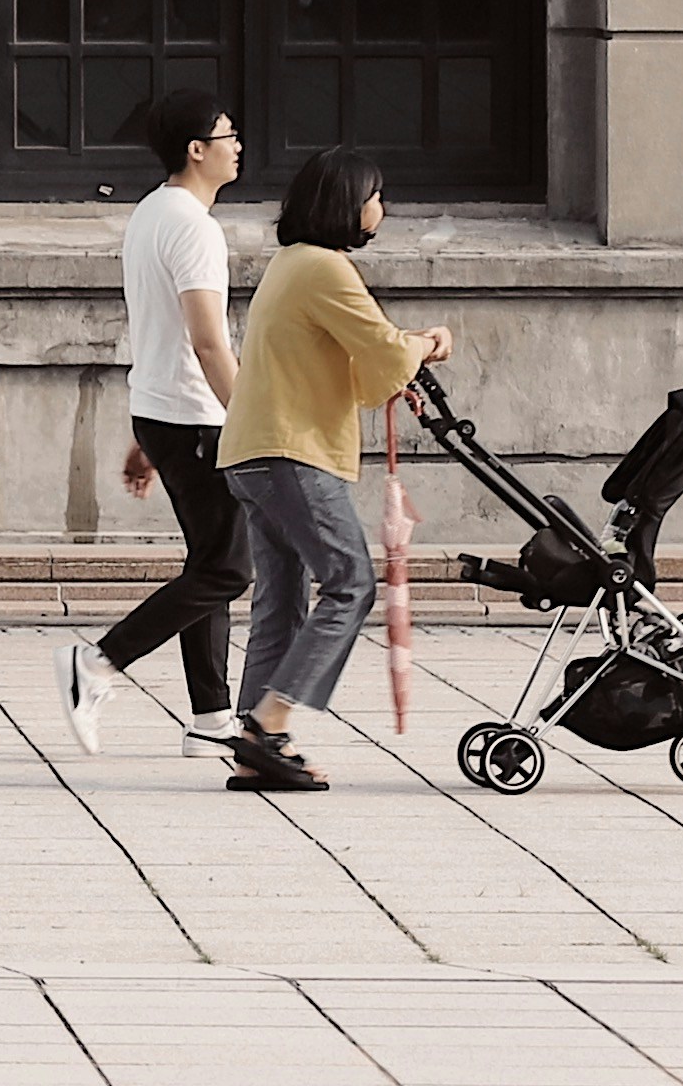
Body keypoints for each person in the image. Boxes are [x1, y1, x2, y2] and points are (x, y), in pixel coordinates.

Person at [208, 146, 454, 796]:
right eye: (376, 196)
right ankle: (267, 724)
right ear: (346, 204)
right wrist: (431, 342)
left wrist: (398, 361)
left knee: (281, 600)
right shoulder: (326, 269)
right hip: (292, 452)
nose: (382, 208)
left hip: (254, 451)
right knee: (349, 583)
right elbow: (383, 348)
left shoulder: (292, 264)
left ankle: (258, 745)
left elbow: (359, 362)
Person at [65, 88, 248, 751]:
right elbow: (206, 341)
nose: (238, 145)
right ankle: (98, 662)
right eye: (228, 135)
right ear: (197, 149)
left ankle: (211, 720)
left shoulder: (150, 213)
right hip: (196, 418)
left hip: (165, 413)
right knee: (228, 570)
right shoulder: (194, 227)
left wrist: (148, 438)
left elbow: (158, 332)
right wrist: (250, 421)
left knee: (211, 564)